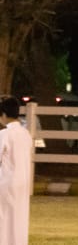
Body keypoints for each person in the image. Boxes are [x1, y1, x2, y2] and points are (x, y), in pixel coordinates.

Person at [0, 96, 33, 245]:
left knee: (4, 220)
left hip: (6, 183)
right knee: (18, 218)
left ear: (4, 115)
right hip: (23, 182)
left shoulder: (4, 134)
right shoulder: (26, 135)